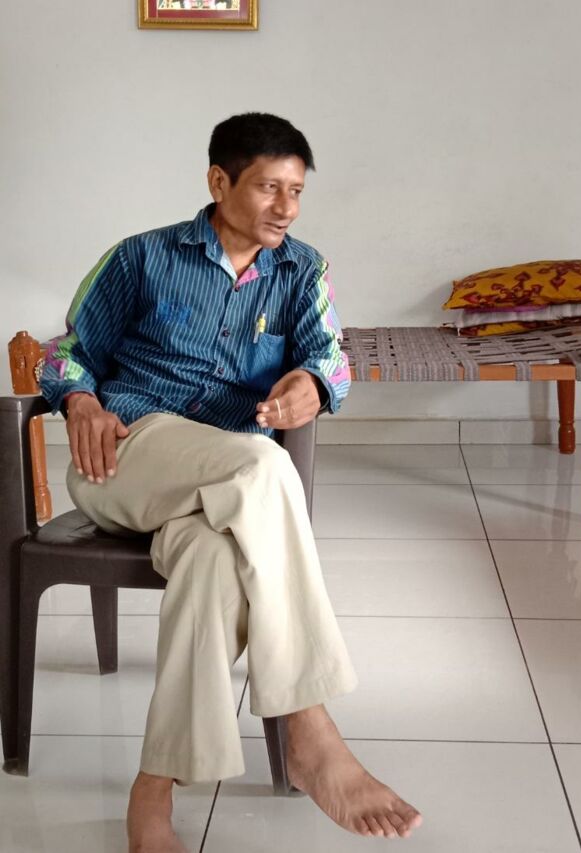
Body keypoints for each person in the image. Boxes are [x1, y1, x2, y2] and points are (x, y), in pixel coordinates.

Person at [40, 113, 422, 852]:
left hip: (223, 493)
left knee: (214, 563)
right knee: (264, 461)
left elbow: (331, 359)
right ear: (220, 182)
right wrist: (80, 398)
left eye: (297, 191)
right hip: (129, 457)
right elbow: (66, 352)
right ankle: (309, 726)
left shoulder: (301, 271)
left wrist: (313, 384)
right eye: (270, 187)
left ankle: (153, 789)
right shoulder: (141, 257)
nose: (286, 207)